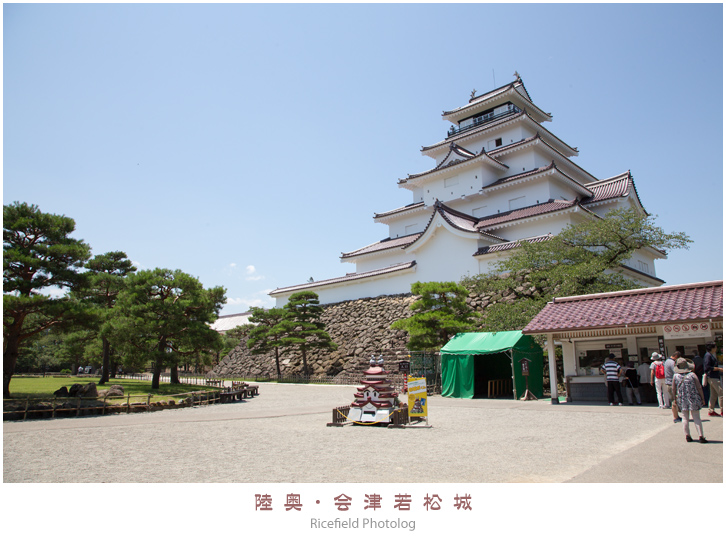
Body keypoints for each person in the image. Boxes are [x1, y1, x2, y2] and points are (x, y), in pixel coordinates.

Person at [672, 357, 707, 443]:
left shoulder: (675, 376)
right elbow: (699, 387)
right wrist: (702, 398)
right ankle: (701, 436)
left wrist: (674, 399)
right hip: (693, 398)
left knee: (685, 418)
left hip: (682, 398)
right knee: (696, 417)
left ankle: (687, 435)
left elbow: (673, 389)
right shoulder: (692, 375)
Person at [703, 342, 723, 417]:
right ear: (712, 348)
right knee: (721, 394)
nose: (716, 348)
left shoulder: (710, 355)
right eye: (715, 347)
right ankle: (723, 410)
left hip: (712, 377)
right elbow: (707, 367)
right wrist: (719, 369)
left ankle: (711, 410)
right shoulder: (708, 356)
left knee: (713, 394)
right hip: (713, 377)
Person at [665, 352, 682, 423]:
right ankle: (675, 417)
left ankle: (676, 416)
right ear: (676, 356)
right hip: (672, 384)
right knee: (674, 400)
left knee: (673, 400)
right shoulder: (672, 363)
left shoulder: (666, 361)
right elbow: (676, 372)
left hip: (668, 382)